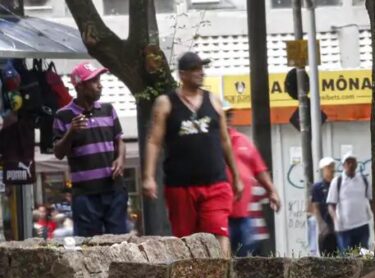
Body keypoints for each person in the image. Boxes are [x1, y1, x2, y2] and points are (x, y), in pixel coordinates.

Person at [141, 52, 241, 257]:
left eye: (201, 68)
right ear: (182, 74)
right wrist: (149, 177)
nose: (200, 73)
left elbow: (225, 141)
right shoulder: (166, 103)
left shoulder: (213, 100)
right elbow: (154, 140)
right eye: (195, 69)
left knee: (219, 232)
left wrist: (236, 176)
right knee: (185, 240)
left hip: (215, 182)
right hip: (181, 185)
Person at [52, 62, 127, 237]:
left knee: (120, 245)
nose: (100, 84)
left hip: (114, 191)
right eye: (94, 81)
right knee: (89, 247)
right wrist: (71, 131)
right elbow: (58, 152)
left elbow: (120, 141)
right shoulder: (63, 115)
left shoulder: (108, 110)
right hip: (85, 195)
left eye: (99, 80)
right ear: (80, 86)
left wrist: (120, 160)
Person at [223, 102, 280, 256]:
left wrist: (272, 190)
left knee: (248, 259)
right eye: (223, 114)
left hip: (244, 214)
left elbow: (260, 169)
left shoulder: (243, 141)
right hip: (221, 215)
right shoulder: (212, 143)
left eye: (229, 114)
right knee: (223, 259)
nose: (228, 118)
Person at [326, 153, 372, 252]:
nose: (350, 165)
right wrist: (335, 220)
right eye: (348, 162)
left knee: (364, 256)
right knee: (346, 259)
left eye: (352, 162)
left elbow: (370, 199)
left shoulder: (363, 179)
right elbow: (331, 205)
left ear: (356, 164)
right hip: (344, 228)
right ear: (343, 165)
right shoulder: (337, 181)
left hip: (362, 225)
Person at [311, 156, 338, 255]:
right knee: (327, 255)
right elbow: (315, 207)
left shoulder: (338, 184)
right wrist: (322, 226)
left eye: (332, 166)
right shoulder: (317, 187)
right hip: (325, 227)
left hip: (339, 227)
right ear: (323, 169)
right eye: (328, 167)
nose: (331, 169)